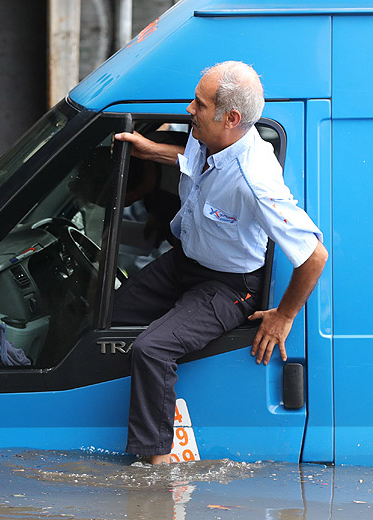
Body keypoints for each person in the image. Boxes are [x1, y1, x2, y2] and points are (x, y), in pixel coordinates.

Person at [111, 61, 328, 464]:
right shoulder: (209, 138)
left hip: (229, 285)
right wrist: (150, 149)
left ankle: (157, 467)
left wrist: (284, 315)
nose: (189, 109)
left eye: (199, 102)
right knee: (108, 318)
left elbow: (314, 255)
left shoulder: (255, 180)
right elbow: (193, 163)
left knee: (152, 350)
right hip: (185, 262)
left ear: (230, 118)